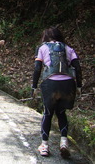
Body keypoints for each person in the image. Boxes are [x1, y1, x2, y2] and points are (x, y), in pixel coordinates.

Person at [31, 27, 82, 158]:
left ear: (46, 36)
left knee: (47, 113)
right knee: (61, 112)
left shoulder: (42, 48)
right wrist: (79, 86)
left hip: (50, 84)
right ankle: (64, 143)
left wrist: (34, 86)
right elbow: (77, 67)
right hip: (68, 84)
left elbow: (37, 68)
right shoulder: (68, 48)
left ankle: (44, 146)